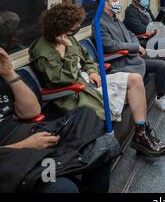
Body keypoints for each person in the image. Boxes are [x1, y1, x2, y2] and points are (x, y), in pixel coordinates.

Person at [29, 3, 165, 157]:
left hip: (87, 80)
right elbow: (62, 79)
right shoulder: (43, 50)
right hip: (74, 93)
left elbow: (87, 58)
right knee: (111, 99)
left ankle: (141, 133)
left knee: (135, 79)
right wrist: (67, 50)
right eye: (73, 28)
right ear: (61, 28)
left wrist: (91, 71)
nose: (76, 30)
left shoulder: (69, 38)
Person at [0, 48, 115, 193]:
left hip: (27, 131)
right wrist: (24, 145)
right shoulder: (43, 50)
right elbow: (63, 77)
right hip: (10, 154)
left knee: (101, 146)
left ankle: (62, 158)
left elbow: (32, 111)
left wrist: (9, 73)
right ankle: (62, 160)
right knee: (63, 187)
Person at [96, 0, 165, 113]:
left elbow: (130, 34)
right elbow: (110, 46)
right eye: (115, 0)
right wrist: (135, 48)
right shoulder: (100, 23)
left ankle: (164, 88)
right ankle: (160, 97)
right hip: (123, 60)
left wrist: (137, 47)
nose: (118, 2)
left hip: (133, 54)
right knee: (161, 65)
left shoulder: (115, 19)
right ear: (104, 4)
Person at [123, 0, 165, 88]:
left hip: (155, 34)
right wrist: (154, 30)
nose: (146, 0)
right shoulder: (131, 11)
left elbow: (154, 21)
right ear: (136, 0)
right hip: (145, 38)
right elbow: (138, 28)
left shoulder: (146, 10)